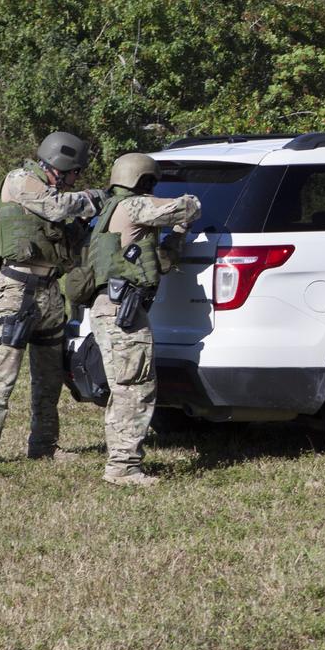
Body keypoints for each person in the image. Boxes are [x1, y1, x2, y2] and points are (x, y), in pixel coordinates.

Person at [0, 131, 103, 470]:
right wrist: (92, 199)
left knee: (49, 375)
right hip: (18, 289)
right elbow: (54, 208)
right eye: (74, 173)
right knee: (2, 374)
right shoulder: (21, 181)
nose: (75, 180)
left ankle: (43, 446)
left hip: (48, 291)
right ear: (58, 165)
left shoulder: (51, 190)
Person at [87, 152, 201, 486]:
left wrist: (178, 235)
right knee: (135, 388)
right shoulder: (134, 206)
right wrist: (188, 204)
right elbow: (190, 206)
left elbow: (160, 259)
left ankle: (121, 461)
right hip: (123, 311)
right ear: (144, 181)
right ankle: (123, 467)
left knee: (123, 387)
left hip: (109, 308)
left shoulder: (111, 209)